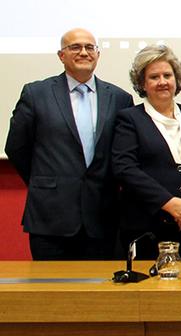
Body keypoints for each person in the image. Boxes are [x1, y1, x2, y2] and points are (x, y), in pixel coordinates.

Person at [6, 28, 133, 260]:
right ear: (61, 55)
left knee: (101, 293)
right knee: (51, 291)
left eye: (89, 47)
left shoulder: (120, 98)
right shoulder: (36, 93)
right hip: (51, 218)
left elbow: (123, 154)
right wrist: (44, 180)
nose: (83, 52)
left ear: (97, 54)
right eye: (75, 47)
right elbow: (16, 147)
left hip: (103, 217)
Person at [112, 45, 181, 260]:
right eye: (154, 77)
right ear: (142, 84)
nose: (162, 81)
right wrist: (170, 203)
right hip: (148, 228)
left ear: (177, 79)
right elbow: (125, 168)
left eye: (168, 75)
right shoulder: (129, 119)